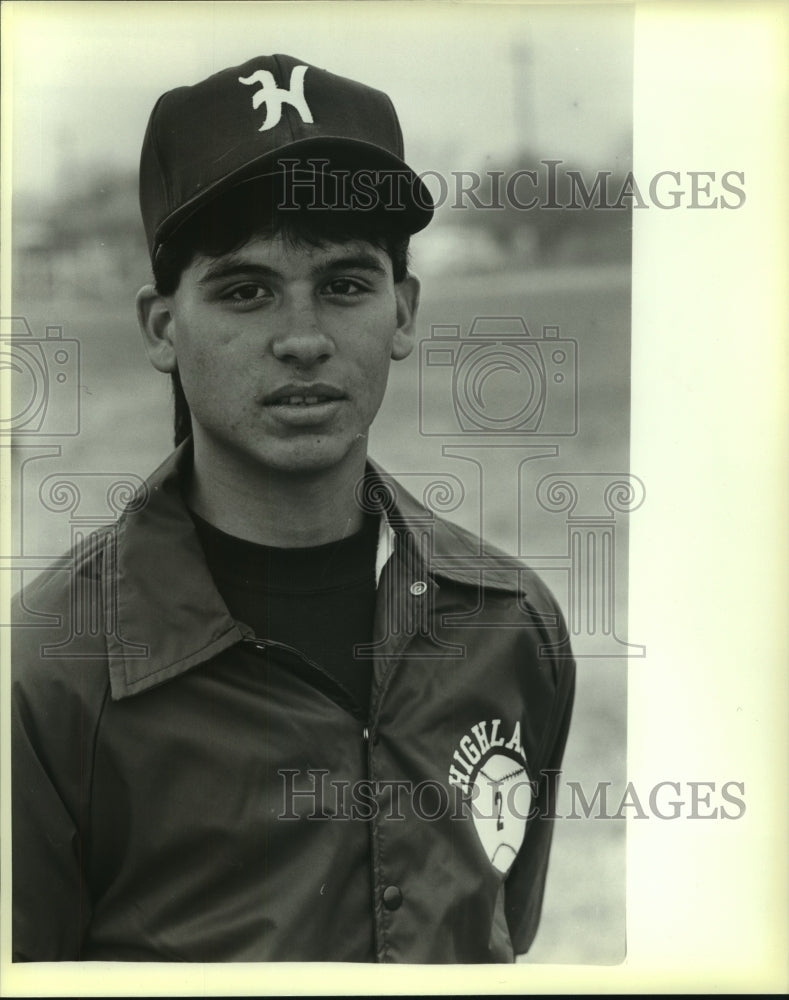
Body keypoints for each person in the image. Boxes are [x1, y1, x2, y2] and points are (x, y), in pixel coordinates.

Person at [11, 53, 576, 963]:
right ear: (163, 326)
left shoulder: (510, 626)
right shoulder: (49, 669)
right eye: (245, 290)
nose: (304, 338)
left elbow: (499, 939)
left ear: (402, 312)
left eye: (346, 285)